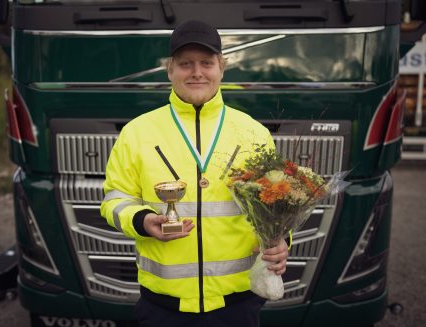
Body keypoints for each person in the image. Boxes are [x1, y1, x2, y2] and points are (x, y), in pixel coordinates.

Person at [100, 20, 288, 327]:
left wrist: (282, 241)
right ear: (170, 70)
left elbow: (276, 206)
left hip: (237, 304)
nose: (197, 72)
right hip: (162, 305)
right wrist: (143, 220)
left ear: (221, 68)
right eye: (185, 64)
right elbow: (114, 199)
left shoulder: (253, 132)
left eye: (206, 63)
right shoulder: (136, 132)